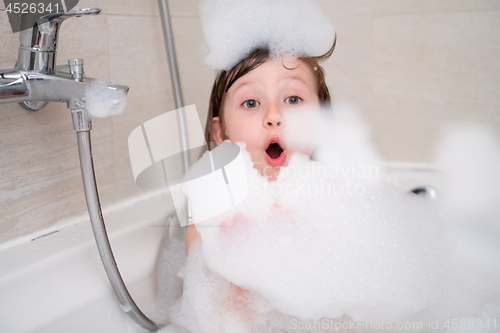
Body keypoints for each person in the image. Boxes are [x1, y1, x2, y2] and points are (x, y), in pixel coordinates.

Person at [185, 44, 335, 253]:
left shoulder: (337, 203)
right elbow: (204, 283)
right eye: (251, 103)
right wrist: (236, 259)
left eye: (293, 99)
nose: (273, 116)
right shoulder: (208, 220)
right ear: (221, 133)